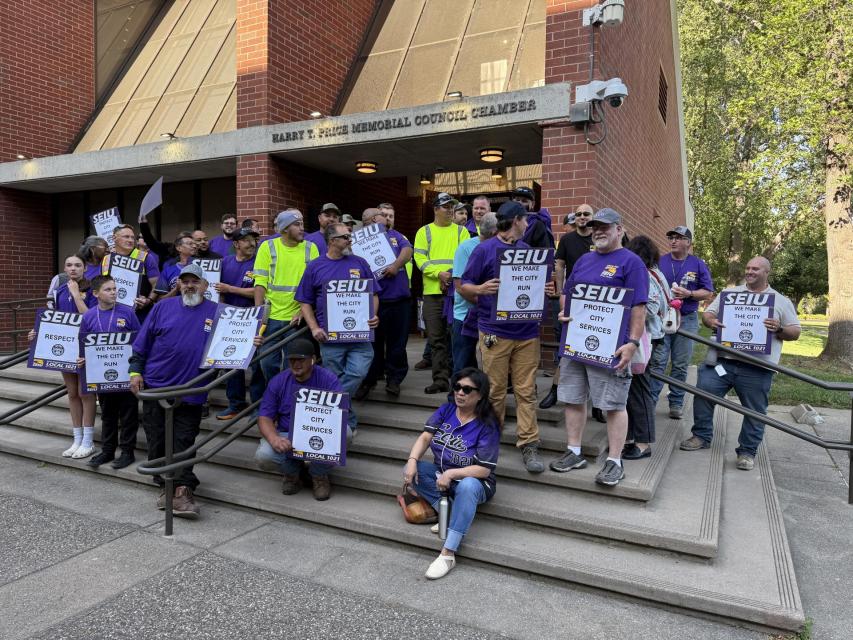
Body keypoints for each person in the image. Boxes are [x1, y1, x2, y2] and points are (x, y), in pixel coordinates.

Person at [551, 208, 648, 486]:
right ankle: (574, 450)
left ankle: (614, 460)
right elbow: (567, 293)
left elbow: (639, 308)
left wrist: (631, 343)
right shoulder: (583, 260)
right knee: (573, 397)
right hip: (576, 344)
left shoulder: (631, 263)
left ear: (620, 229)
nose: (599, 231)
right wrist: (563, 312)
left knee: (614, 405)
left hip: (611, 348)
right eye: (595, 227)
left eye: (605, 227)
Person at [680, 256, 800, 470]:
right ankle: (701, 436)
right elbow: (708, 314)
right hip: (722, 361)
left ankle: (747, 452)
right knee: (704, 393)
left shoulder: (780, 301)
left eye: (756, 268)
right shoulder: (729, 294)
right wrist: (710, 321)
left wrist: (779, 329)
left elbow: (795, 331)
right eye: (748, 267)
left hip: (757, 367)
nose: (750, 271)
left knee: (755, 410)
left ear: (766, 273)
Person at [461, 201, 555, 473]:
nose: (528, 225)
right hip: (495, 332)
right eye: (526, 220)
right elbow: (463, 286)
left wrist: (545, 288)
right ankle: (490, 441)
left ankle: (529, 443)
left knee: (527, 390)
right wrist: (479, 288)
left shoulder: (527, 251)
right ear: (516, 220)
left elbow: (535, 288)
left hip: (527, 333)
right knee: (495, 391)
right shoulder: (484, 249)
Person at [129, 263, 220, 518]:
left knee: (183, 442)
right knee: (157, 440)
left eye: (195, 281)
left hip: (192, 390)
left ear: (205, 285)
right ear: (178, 284)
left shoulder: (218, 312)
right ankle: (166, 486)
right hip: (157, 388)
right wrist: (135, 371)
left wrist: (251, 342)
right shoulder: (161, 308)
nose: (189, 285)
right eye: (185, 281)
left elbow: (232, 347)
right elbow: (141, 345)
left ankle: (182, 490)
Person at [402, 367, 500, 579]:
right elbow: (426, 438)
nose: (460, 393)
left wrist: (453, 474)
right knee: (414, 469)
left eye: (467, 389)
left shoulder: (487, 424)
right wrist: (411, 461)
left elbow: (484, 469)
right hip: (444, 474)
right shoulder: (446, 410)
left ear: (480, 395)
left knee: (467, 485)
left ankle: (448, 553)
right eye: (457, 387)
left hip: (477, 482)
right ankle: (452, 514)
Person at [296, 222, 380, 431]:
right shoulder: (315, 266)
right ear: (333, 241)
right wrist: (314, 328)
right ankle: (347, 422)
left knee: (357, 372)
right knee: (333, 378)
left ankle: (323, 407)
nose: (350, 240)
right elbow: (305, 301)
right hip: (330, 338)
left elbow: (374, 294)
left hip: (360, 336)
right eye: (346, 237)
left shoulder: (360, 262)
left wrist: (373, 315)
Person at [254, 337, 346, 500]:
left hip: (319, 432)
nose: (296, 364)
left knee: (346, 433)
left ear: (313, 360)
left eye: (301, 360)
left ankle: (319, 475)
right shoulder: (278, 381)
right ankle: (292, 474)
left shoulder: (328, 378)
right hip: (287, 435)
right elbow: (264, 417)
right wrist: (274, 438)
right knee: (264, 455)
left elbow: (339, 413)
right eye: (292, 360)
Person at [34, 253, 98, 459]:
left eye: (77, 265)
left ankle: (88, 440)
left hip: (86, 347)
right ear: (64, 267)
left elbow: (91, 319)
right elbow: (54, 318)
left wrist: (77, 294)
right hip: (66, 347)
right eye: (69, 265)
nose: (73, 269)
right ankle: (77, 438)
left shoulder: (93, 289)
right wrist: (37, 332)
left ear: (85, 268)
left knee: (85, 393)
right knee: (72, 393)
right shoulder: (60, 290)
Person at [648, 225, 714, 418]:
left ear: (688, 242)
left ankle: (676, 403)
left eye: (678, 237)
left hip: (687, 319)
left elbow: (708, 291)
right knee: (658, 361)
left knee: (680, 364)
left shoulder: (698, 263)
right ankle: (650, 402)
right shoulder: (659, 261)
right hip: (662, 317)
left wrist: (690, 294)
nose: (673, 241)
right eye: (671, 237)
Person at [81, 275, 142, 469]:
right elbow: (82, 345)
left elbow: (139, 342)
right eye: (108, 289)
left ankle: (127, 452)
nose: (114, 292)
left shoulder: (128, 312)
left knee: (128, 414)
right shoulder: (89, 316)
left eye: (115, 288)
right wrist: (82, 358)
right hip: (101, 375)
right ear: (96, 293)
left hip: (126, 374)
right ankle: (107, 451)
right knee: (107, 415)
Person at [253, 209, 320, 381]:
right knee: (266, 363)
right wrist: (259, 313)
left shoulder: (311, 248)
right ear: (284, 229)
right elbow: (260, 282)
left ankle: (286, 401)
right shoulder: (267, 247)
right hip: (271, 317)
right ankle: (277, 395)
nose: (302, 228)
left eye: (302, 224)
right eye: (297, 225)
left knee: (292, 367)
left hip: (296, 319)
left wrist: (303, 311)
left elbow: (315, 286)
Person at [540, 203, 595, 410]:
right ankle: (554, 391)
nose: (581, 217)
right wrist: (561, 290)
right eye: (578, 214)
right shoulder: (567, 239)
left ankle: (597, 405)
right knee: (566, 348)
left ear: (593, 216)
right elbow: (560, 264)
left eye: (586, 214)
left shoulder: (599, 237)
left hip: (597, 303)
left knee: (596, 349)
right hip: (573, 299)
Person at [622, 236, 672, 460]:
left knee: (640, 392)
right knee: (634, 392)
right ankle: (631, 438)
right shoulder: (657, 273)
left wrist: (627, 308)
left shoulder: (644, 274)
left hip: (645, 340)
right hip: (650, 338)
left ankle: (643, 444)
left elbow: (649, 307)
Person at [356, 207, 413, 399]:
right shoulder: (358, 241)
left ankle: (394, 380)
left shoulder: (395, 235)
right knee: (373, 344)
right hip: (374, 301)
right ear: (372, 220)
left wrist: (396, 265)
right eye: (383, 215)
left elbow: (408, 250)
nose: (387, 218)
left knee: (397, 343)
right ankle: (369, 380)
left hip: (399, 300)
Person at [414, 192, 467, 394]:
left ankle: (457, 380)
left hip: (456, 294)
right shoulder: (424, 231)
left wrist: (451, 277)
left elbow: (465, 258)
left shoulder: (461, 231)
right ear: (436, 209)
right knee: (436, 339)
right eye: (446, 206)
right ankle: (440, 380)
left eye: (452, 206)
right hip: (433, 294)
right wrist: (439, 274)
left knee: (456, 339)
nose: (450, 209)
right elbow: (419, 259)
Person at [214, 227, 265, 419]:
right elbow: (216, 290)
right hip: (230, 319)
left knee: (257, 364)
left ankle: (259, 406)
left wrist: (230, 289)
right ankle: (236, 404)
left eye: (253, 239)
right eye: (246, 240)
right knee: (230, 363)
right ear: (236, 244)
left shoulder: (259, 262)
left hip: (253, 318)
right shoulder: (225, 262)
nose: (252, 243)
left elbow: (259, 291)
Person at [451, 212, 498, 375]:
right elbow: (459, 286)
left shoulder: (501, 247)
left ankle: (482, 399)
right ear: (494, 233)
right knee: (462, 365)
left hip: (490, 316)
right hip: (465, 315)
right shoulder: (466, 248)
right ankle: (455, 400)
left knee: (490, 364)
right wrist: (488, 304)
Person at [103, 224, 161, 316]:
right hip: (112, 312)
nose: (130, 240)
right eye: (126, 237)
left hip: (140, 313)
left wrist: (148, 300)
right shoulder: (107, 259)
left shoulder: (146, 257)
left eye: (132, 238)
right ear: (114, 238)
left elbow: (157, 284)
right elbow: (101, 285)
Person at [153, 233, 197, 298]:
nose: (194, 246)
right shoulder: (167, 271)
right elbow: (160, 300)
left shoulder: (202, 267)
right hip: (174, 307)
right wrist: (176, 289)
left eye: (194, 244)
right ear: (179, 248)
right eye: (190, 244)